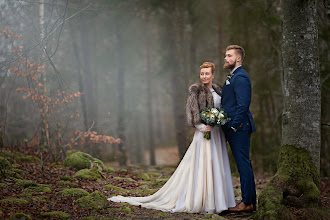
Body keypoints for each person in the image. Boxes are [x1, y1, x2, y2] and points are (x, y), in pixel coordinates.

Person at [108, 62, 236, 214]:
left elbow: (223, 109)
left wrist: (219, 120)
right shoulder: (195, 91)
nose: (204, 76)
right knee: (206, 164)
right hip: (204, 134)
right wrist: (203, 127)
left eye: (207, 73)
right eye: (202, 73)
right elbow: (192, 115)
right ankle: (204, 201)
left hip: (217, 134)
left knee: (217, 165)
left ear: (213, 74)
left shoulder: (218, 91)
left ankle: (220, 201)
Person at [221, 45, 257, 212]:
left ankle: (247, 202)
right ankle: (248, 200)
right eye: (225, 56)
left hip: (239, 127)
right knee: (242, 163)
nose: (226, 59)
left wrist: (235, 126)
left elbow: (243, 104)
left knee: (243, 164)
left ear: (238, 58)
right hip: (233, 126)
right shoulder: (233, 75)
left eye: (229, 56)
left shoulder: (241, 77)